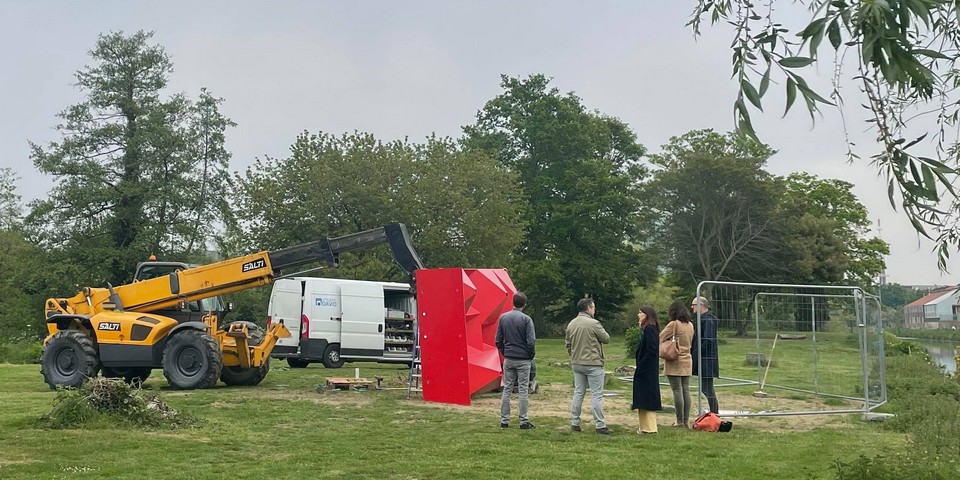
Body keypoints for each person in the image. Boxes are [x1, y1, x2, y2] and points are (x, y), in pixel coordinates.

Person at [565, 298, 612, 434]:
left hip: (577, 363)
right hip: (593, 363)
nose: (594, 310)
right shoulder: (593, 323)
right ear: (588, 308)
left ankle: (575, 422)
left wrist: (573, 355)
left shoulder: (571, 324)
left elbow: (568, 344)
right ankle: (600, 425)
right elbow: (606, 338)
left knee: (579, 393)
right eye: (593, 308)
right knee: (596, 394)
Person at [495, 291, 537, 429]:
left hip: (509, 357)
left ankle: (504, 420)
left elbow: (498, 340)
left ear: (513, 302)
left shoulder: (503, 318)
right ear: (524, 304)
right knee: (523, 389)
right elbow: (531, 341)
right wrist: (530, 356)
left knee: (507, 388)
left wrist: (505, 351)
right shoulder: (526, 320)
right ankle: (523, 420)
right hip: (523, 359)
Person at [660, 300, 694, 428]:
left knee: (677, 390)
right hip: (687, 359)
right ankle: (686, 420)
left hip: (675, 359)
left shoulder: (673, 324)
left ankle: (679, 420)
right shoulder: (690, 325)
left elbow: (660, 337)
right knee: (685, 390)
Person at [631, 305, 662, 434]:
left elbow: (652, 350)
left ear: (647, 315)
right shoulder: (646, 329)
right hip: (645, 369)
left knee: (647, 397)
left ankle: (650, 427)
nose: (638, 315)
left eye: (640, 313)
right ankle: (643, 426)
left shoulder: (650, 329)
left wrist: (642, 365)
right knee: (642, 397)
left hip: (647, 370)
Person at [691, 296, 720, 414]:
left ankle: (714, 412)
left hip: (706, 359)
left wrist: (698, 352)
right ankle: (714, 411)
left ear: (700, 305)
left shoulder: (708, 320)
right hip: (704, 358)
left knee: (707, 388)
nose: (692, 307)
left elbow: (708, 340)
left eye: (693, 305)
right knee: (706, 387)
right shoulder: (703, 319)